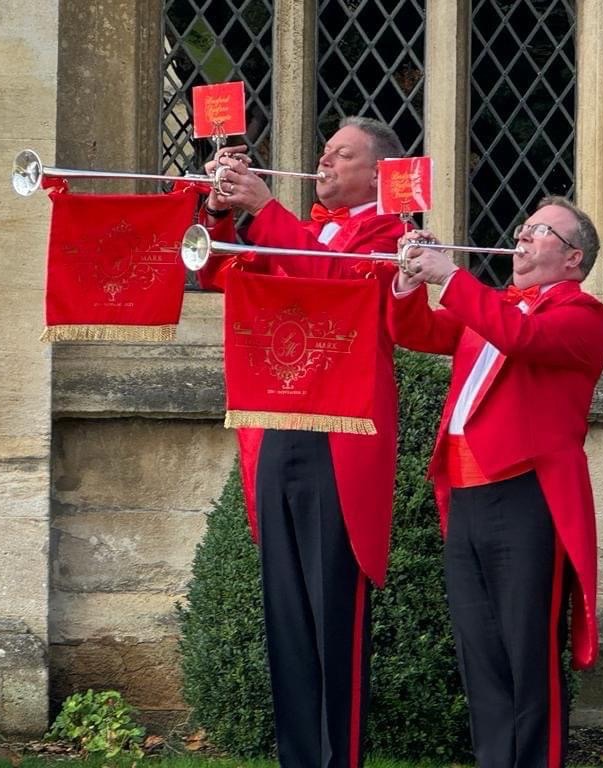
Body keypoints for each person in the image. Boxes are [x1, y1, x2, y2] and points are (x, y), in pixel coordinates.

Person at [196, 116, 405, 768]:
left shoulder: (389, 232)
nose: (324, 162)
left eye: (342, 156)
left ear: (377, 173)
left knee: (334, 616)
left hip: (339, 440)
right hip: (281, 426)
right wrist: (223, 208)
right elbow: (222, 276)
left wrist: (265, 207)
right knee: (285, 614)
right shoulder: (306, 228)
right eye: (323, 151)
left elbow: (336, 280)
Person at [387, 196, 603, 767]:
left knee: (527, 653)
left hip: (527, 497)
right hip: (467, 496)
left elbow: (520, 339)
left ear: (572, 259)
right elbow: (416, 333)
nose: (522, 236)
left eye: (540, 231)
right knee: (480, 653)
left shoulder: (583, 314)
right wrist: (409, 282)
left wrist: (452, 275)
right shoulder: (495, 306)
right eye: (524, 226)